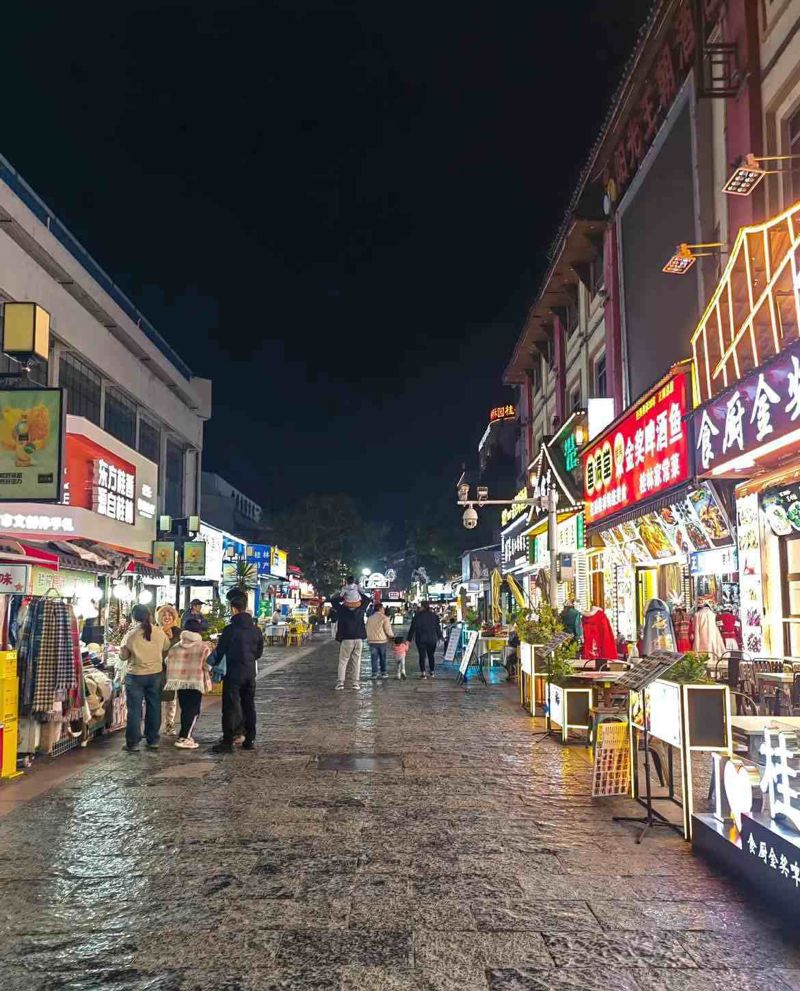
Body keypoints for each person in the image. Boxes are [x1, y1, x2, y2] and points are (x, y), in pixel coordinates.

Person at [210, 591, 264, 753]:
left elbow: (220, 651)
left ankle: (228, 741)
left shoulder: (230, 630)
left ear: (233, 609)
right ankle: (250, 739)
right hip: (249, 673)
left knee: (230, 706)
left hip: (233, 672)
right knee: (249, 705)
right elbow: (259, 653)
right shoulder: (256, 630)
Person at [120, 605, 168, 753]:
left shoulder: (131, 635)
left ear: (133, 618)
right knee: (154, 706)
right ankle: (153, 739)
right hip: (155, 674)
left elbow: (123, 656)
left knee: (134, 709)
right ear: (149, 615)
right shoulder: (159, 632)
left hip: (135, 675)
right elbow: (166, 646)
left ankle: (133, 743)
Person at [164, 618, 212, 750]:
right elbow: (208, 666)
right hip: (195, 682)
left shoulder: (175, 647)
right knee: (194, 710)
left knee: (185, 709)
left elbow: (167, 661)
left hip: (180, 683)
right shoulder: (203, 647)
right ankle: (184, 737)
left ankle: (185, 735)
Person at [330, 583, 370, 690]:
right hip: (358, 639)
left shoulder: (342, 609)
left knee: (343, 661)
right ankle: (355, 683)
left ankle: (340, 683)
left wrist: (343, 593)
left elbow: (333, 601)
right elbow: (367, 599)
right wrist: (358, 590)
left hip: (346, 639)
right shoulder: (361, 609)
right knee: (356, 661)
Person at [156, 604, 182, 734]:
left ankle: (169, 724)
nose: (167, 618)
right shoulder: (155, 631)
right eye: (164, 615)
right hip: (158, 668)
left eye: (169, 615)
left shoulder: (179, 632)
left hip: (174, 669)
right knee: (157, 697)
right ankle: (156, 725)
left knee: (171, 698)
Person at [407, 600, 442, 679]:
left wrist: (408, 640)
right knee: (431, 655)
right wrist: (440, 637)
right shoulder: (434, 616)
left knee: (422, 656)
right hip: (432, 639)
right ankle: (432, 672)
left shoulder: (417, 616)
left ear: (422, 606)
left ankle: (423, 673)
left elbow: (412, 628)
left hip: (421, 639)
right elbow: (437, 627)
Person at [366, 601, 394, 680]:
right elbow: (388, 630)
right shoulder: (385, 618)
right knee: (382, 657)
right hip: (382, 641)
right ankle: (383, 672)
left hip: (372, 641)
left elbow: (367, 628)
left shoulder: (370, 618)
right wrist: (392, 637)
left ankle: (374, 673)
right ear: (381, 609)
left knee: (374, 658)